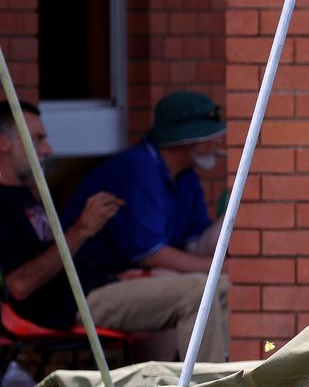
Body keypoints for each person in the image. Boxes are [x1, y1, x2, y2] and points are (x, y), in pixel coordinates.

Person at [0, 100, 229, 362]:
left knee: (217, 285)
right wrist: (81, 230)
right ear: (3, 143)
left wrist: (114, 276)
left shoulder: (24, 195)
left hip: (92, 285)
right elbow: (19, 285)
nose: (48, 148)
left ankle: (217, 380)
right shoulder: (4, 202)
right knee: (201, 290)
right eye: (37, 139)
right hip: (67, 304)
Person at [68, 91, 225, 276]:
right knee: (199, 287)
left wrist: (242, 208)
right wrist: (217, 269)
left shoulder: (186, 175)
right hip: (99, 280)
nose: (218, 141)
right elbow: (151, 254)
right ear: (186, 140)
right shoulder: (138, 166)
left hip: (145, 276)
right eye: (209, 135)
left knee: (211, 284)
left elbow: (196, 243)